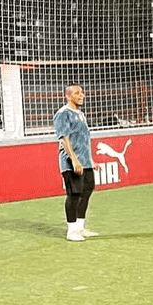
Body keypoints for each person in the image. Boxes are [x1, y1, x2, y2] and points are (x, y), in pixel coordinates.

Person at [54, 84, 97, 242]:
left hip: (85, 161)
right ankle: (71, 230)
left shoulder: (80, 114)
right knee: (74, 193)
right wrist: (74, 160)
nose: (82, 95)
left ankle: (80, 227)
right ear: (68, 96)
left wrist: (90, 160)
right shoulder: (63, 113)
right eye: (77, 93)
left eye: (82, 93)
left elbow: (83, 139)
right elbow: (64, 138)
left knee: (87, 190)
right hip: (71, 162)